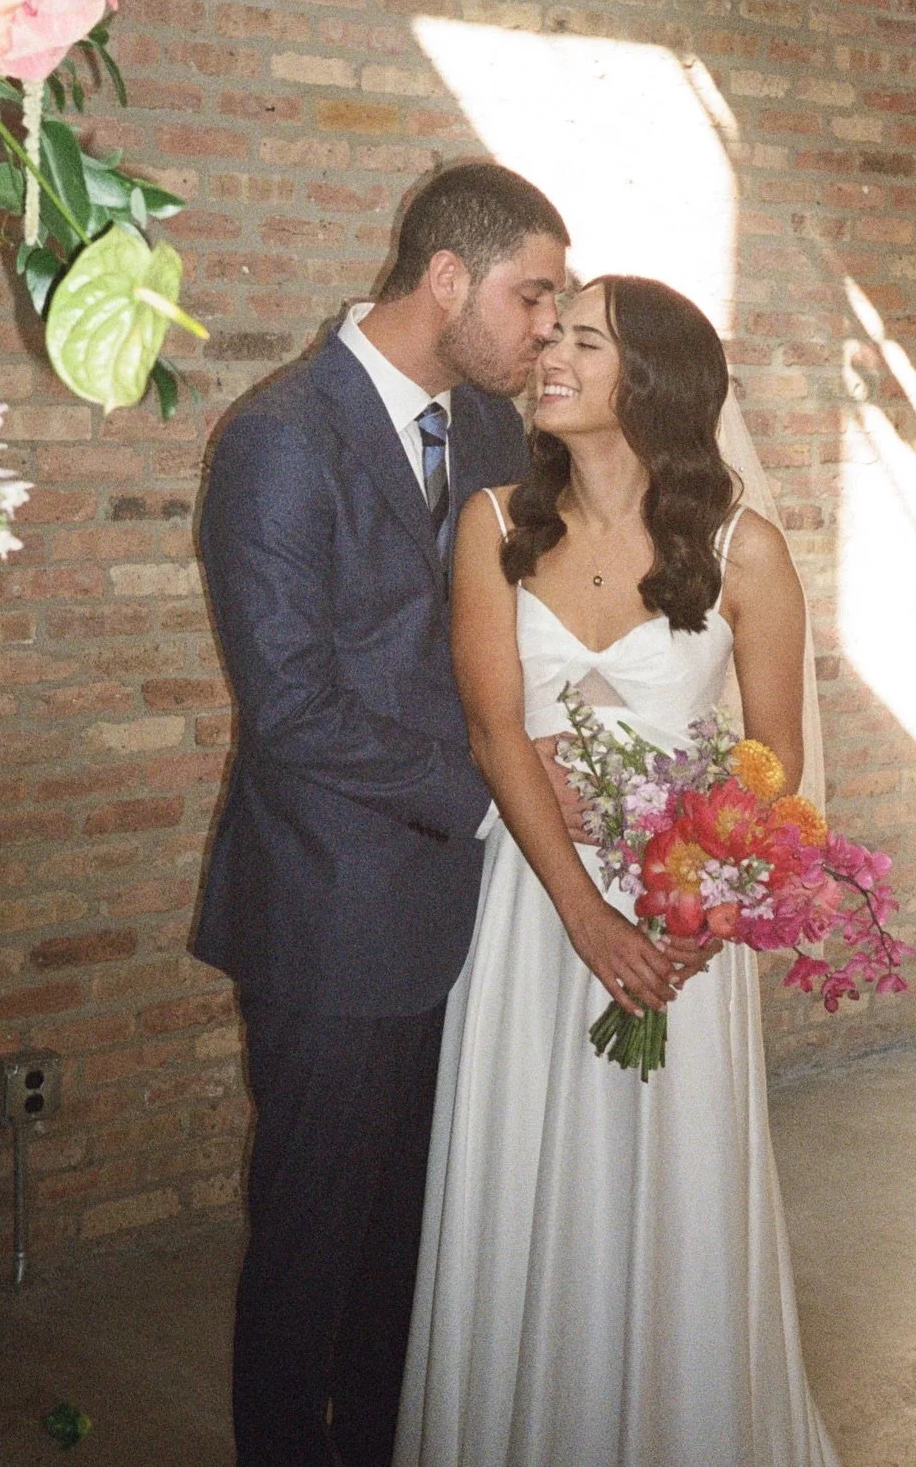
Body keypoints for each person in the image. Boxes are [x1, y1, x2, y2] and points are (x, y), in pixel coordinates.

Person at [394, 275, 842, 1467]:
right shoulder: (493, 524)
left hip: (677, 916)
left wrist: (697, 882)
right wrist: (588, 913)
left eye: (582, 338)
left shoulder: (747, 551)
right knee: (525, 1183)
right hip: (536, 917)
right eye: (554, 329)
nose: (548, 349)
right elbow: (498, 732)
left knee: (672, 1198)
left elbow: (775, 755)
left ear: (650, 382)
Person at [194, 161, 575, 1467]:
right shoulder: (280, 437)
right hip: (327, 911)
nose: (545, 329)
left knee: (406, 1243)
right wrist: (492, 796)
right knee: (311, 1242)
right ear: (448, 277)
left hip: (456, 922)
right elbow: (292, 710)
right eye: (532, 297)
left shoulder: (492, 436)